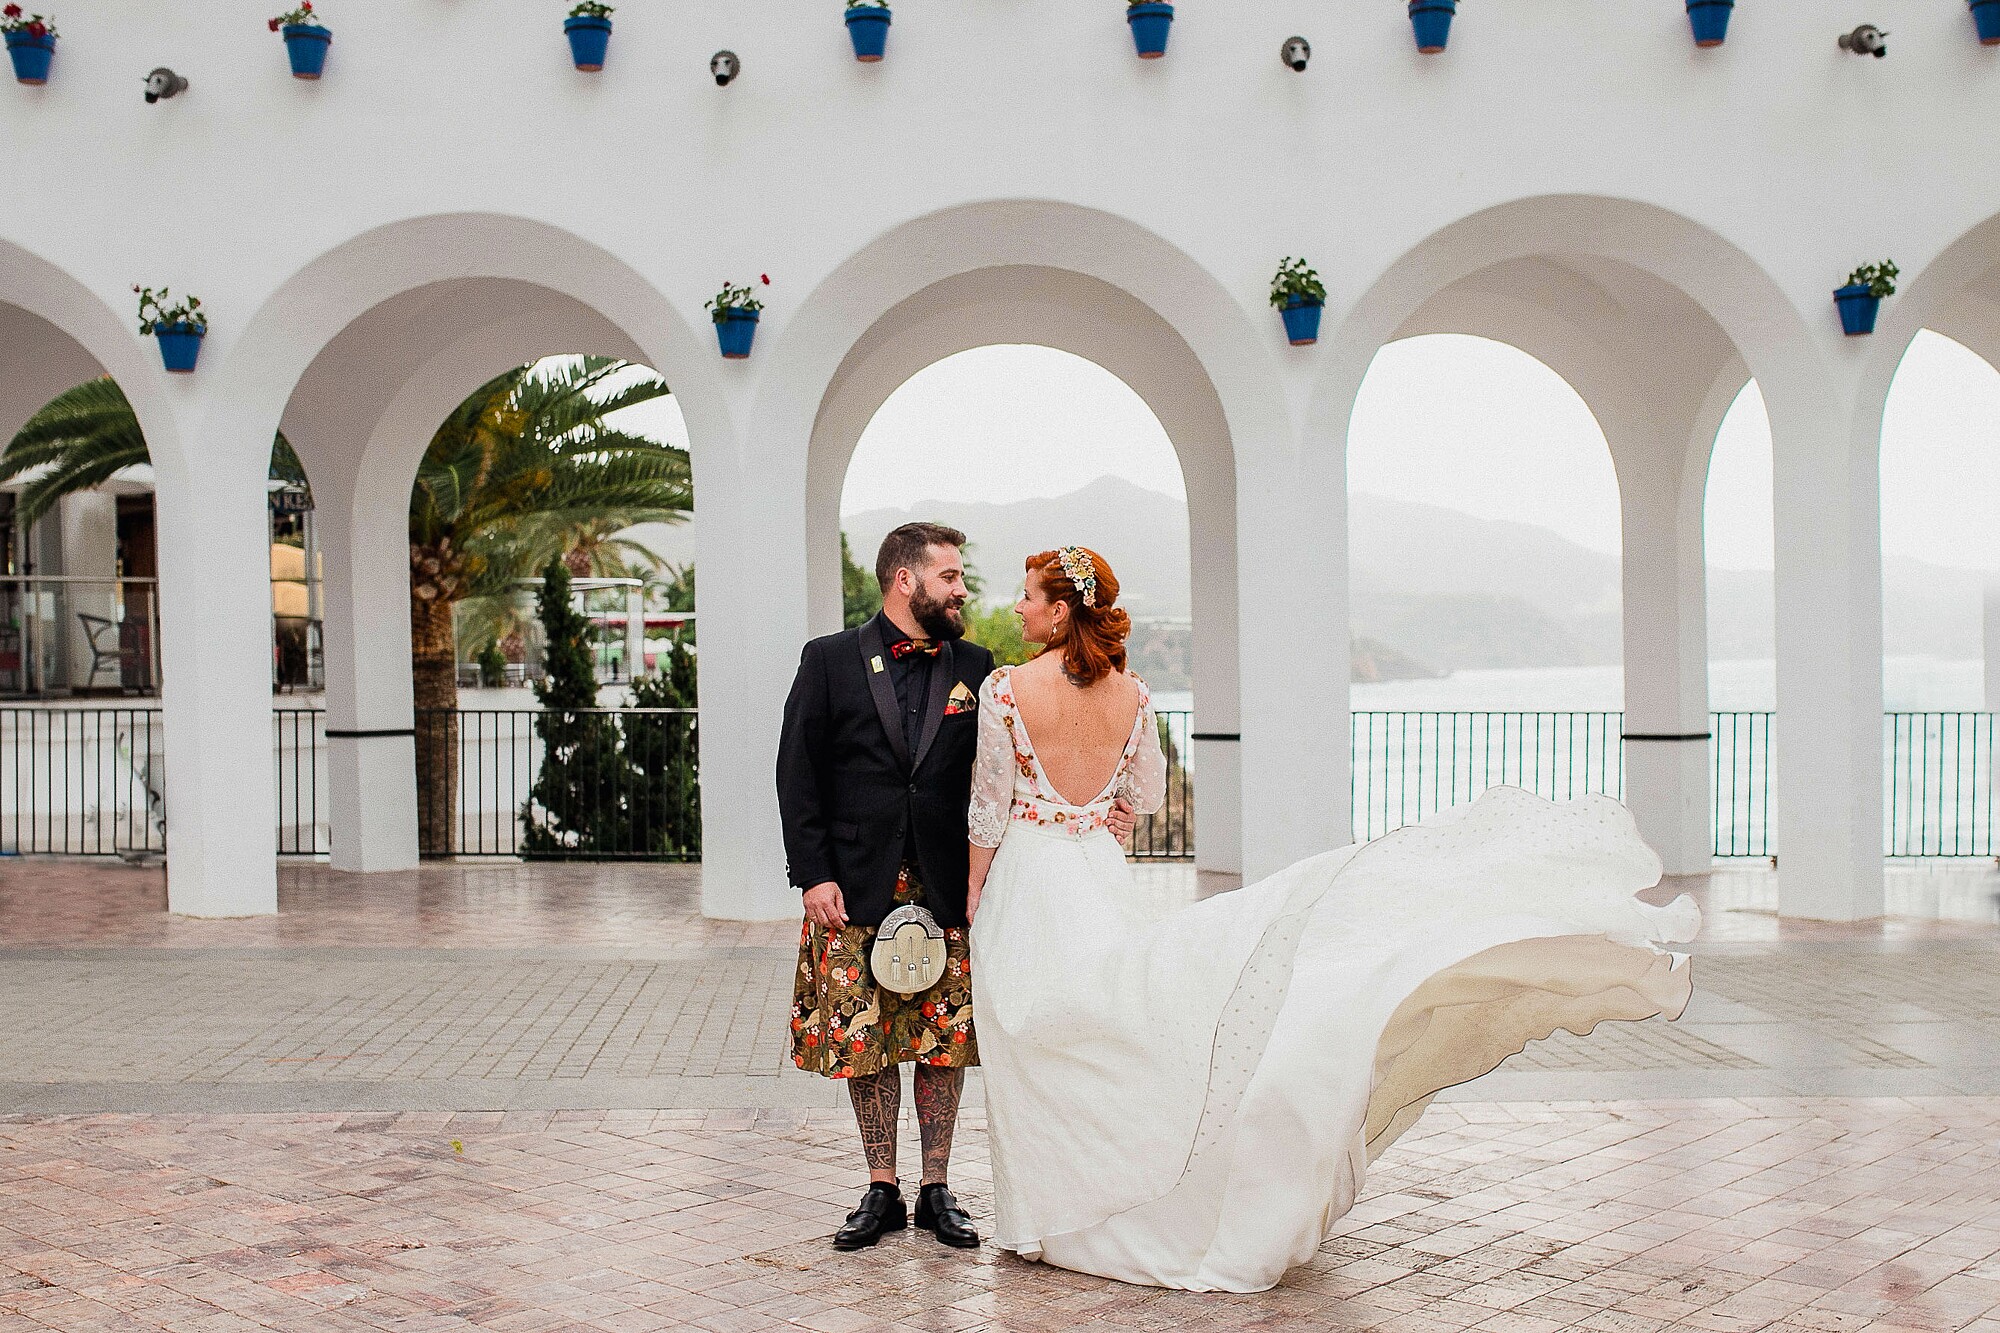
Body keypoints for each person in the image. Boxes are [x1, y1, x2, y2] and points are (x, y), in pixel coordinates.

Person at [967, 545, 1701, 1293]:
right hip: (1098, 874)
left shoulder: (1006, 689)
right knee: (1111, 1030)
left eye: (1028, 595)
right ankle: (1093, 1206)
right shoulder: (1136, 695)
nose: (1020, 606)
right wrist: (1106, 810)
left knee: (1040, 1045)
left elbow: (988, 811)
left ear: (1061, 610)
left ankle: (1042, 1217)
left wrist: (972, 892)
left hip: (1032, 881)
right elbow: (1149, 795)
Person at [777, 523, 1137, 1253]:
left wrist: (1101, 795)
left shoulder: (978, 665)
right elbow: (797, 771)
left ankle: (937, 1189)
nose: (962, 589)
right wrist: (813, 872)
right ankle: (881, 1188)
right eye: (950, 576)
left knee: (944, 1042)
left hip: (950, 889)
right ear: (905, 580)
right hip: (853, 885)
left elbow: (1019, 760)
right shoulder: (829, 661)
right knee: (865, 1040)